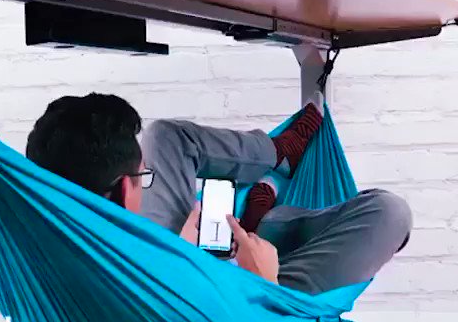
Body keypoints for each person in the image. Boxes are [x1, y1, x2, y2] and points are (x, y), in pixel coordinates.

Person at [26, 92, 412, 295]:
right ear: (128, 190)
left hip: (160, 260)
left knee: (166, 136)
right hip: (231, 303)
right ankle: (263, 225)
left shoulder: (29, 235)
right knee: (389, 213)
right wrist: (262, 283)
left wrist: (182, 252)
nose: (146, 180)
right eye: (143, 177)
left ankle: (277, 154)